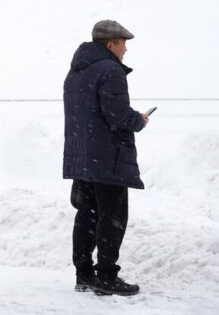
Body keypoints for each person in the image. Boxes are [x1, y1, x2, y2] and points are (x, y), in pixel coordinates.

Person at [62, 20, 150, 296]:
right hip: (108, 157)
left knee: (86, 216)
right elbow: (117, 116)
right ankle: (107, 277)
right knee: (112, 218)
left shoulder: (76, 71)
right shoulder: (110, 70)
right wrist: (139, 119)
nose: (125, 50)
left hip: (83, 156)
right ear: (111, 44)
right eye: (124, 44)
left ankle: (84, 274)